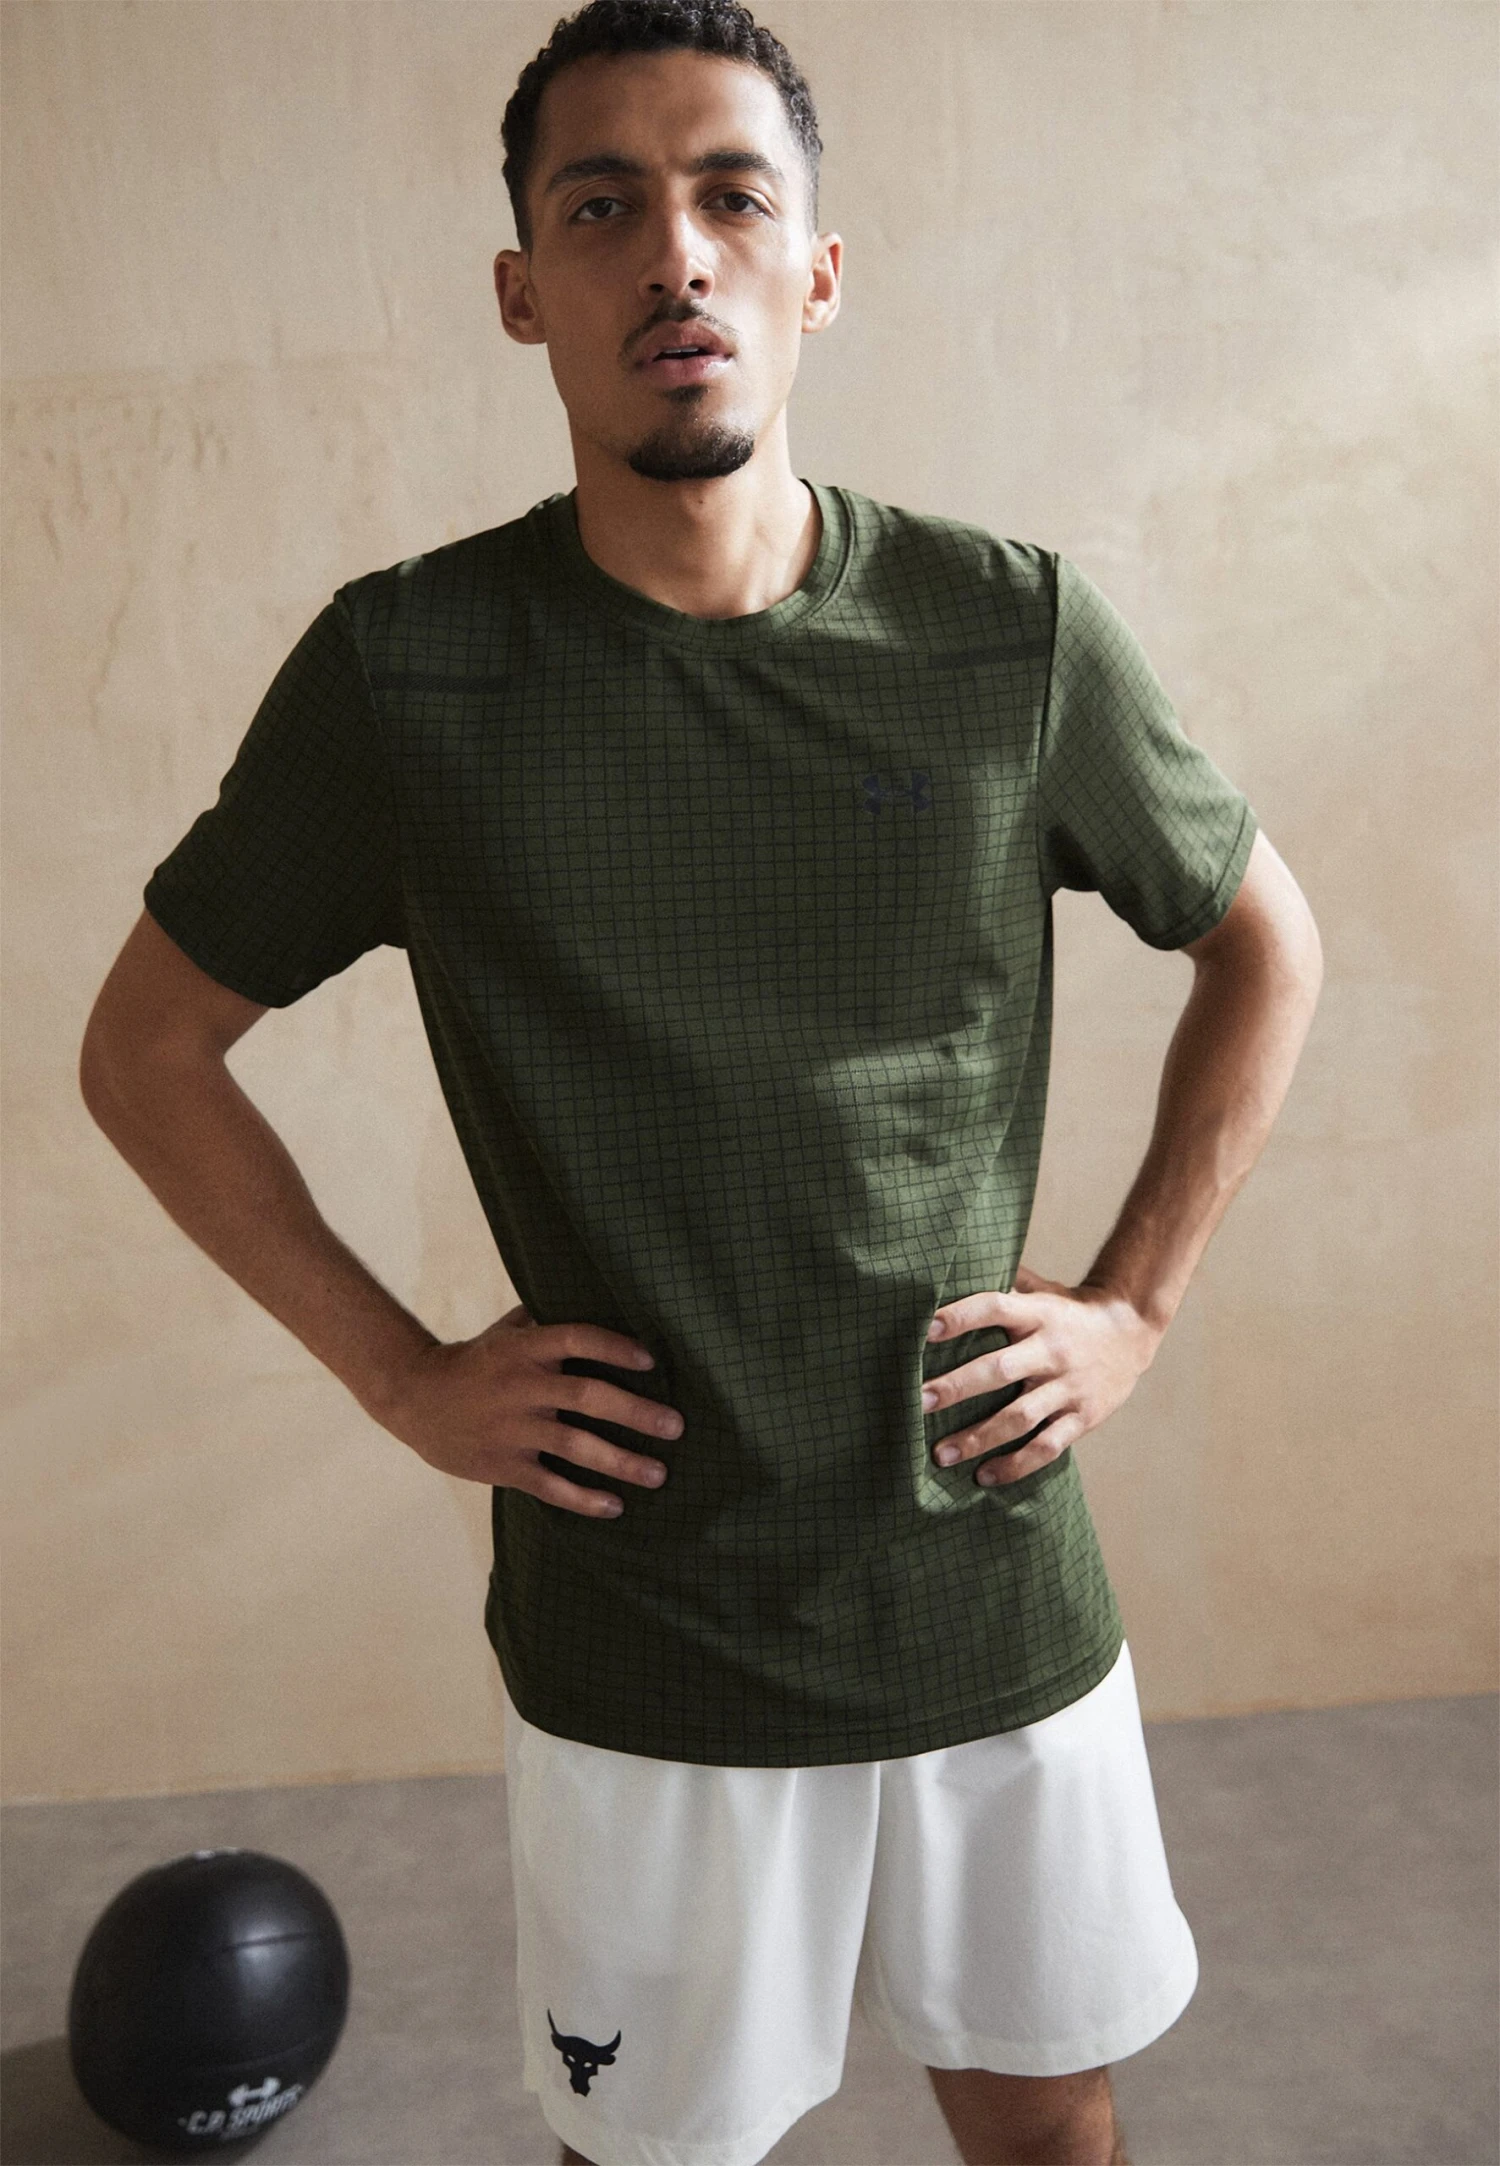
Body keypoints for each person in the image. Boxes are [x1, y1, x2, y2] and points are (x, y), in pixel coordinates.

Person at [79, 2, 1323, 2161]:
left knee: (1049, 2123)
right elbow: (146, 1052)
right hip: (643, 1607)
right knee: (655, 2147)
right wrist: (399, 1375)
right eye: (604, 206)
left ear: (816, 272)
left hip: (978, 1564)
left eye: (733, 197)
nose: (675, 253)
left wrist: (1133, 1305)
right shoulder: (407, 674)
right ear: (523, 290)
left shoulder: (1008, 636)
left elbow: (1263, 944)